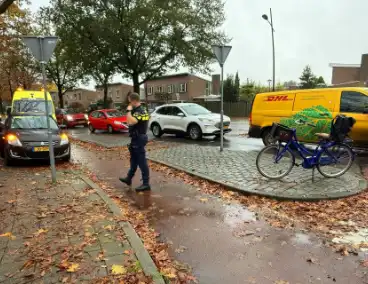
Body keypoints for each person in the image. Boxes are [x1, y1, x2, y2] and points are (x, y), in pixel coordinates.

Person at [119, 92, 151, 191]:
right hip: (136, 138)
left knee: (141, 161)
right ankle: (129, 178)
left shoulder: (140, 110)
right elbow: (129, 122)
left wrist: (128, 111)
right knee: (133, 160)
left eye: (129, 101)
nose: (129, 103)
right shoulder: (140, 110)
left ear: (133, 101)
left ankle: (146, 184)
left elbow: (132, 121)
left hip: (139, 138)